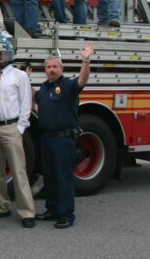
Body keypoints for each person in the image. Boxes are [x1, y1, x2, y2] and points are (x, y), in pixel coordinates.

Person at [0, 36, 36, 228]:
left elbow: (26, 103)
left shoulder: (20, 76)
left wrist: (20, 127)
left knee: (18, 170)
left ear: (11, 55)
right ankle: (2, 206)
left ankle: (27, 212)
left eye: (4, 53)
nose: (1, 57)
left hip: (11, 127)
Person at [34, 43, 94, 229]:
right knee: (50, 178)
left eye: (55, 66)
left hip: (63, 140)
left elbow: (82, 80)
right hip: (46, 139)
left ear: (62, 69)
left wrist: (85, 61)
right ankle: (52, 210)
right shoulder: (44, 88)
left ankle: (67, 214)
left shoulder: (67, 86)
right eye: (48, 67)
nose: (51, 70)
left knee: (63, 178)